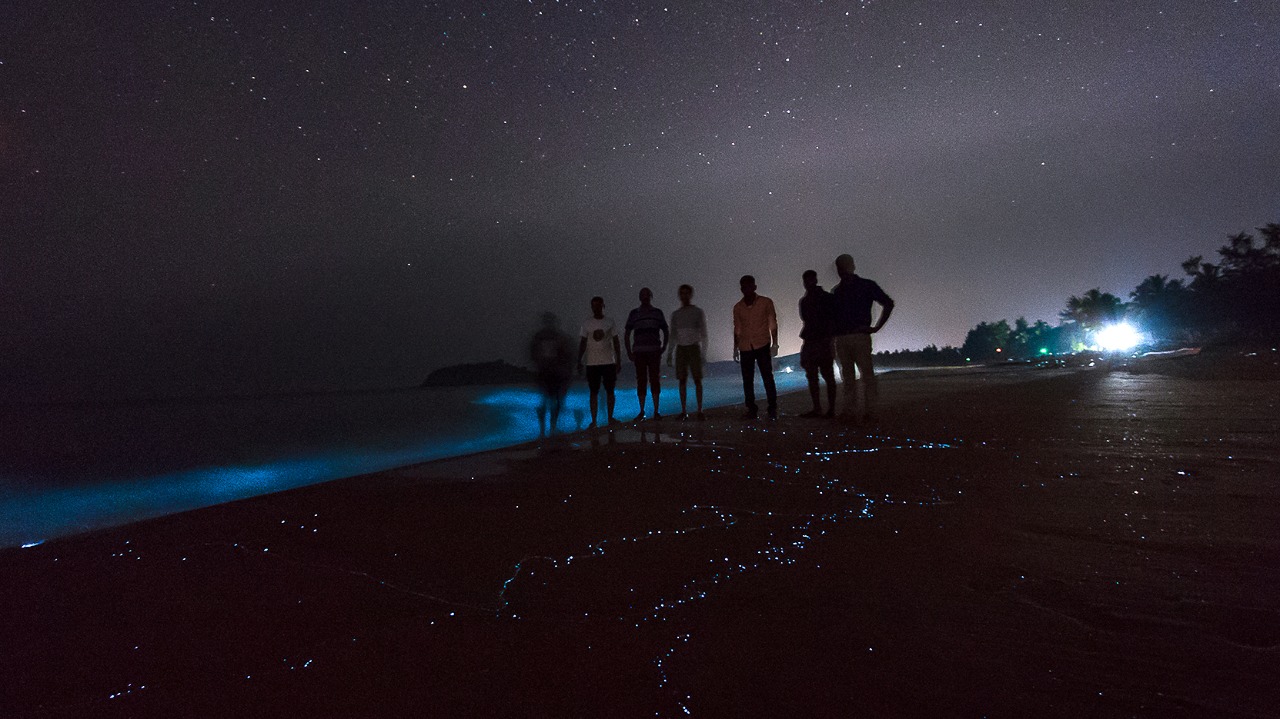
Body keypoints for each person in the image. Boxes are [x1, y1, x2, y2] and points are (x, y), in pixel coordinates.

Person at [831, 253, 895, 423]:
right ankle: (857, 412)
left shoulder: (859, 287)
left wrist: (876, 327)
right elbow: (888, 303)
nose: (841, 270)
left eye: (842, 266)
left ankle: (865, 412)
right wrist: (876, 327)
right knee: (854, 376)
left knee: (862, 375)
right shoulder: (841, 290)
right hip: (847, 337)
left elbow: (888, 303)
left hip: (856, 336)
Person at [732, 275, 779, 420]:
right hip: (746, 346)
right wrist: (735, 348)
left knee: (767, 376)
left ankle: (772, 407)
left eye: (748, 286)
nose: (746, 289)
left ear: (754, 287)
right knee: (748, 379)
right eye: (744, 287)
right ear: (741, 288)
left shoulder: (765, 302)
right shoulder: (738, 307)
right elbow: (737, 328)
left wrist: (775, 343)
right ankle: (751, 409)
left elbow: (772, 323)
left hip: (762, 344)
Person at [624, 287, 669, 421]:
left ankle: (656, 411)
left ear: (650, 296)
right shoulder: (634, 314)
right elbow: (627, 333)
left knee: (655, 380)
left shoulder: (657, 313)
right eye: (642, 295)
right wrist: (628, 351)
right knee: (641, 380)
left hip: (654, 351)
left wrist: (664, 346)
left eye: (647, 295)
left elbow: (665, 330)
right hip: (639, 352)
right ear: (640, 297)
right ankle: (642, 411)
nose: (645, 297)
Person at [577, 296, 622, 427]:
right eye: (594, 305)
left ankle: (610, 418)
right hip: (592, 362)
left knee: (610, 391)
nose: (596, 308)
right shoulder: (586, 323)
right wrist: (579, 360)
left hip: (608, 361)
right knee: (593, 392)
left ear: (603, 306)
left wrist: (618, 360)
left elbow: (616, 341)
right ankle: (594, 420)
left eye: (598, 305)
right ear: (591, 307)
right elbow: (583, 342)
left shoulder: (610, 322)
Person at [666, 284, 708, 420]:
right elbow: (673, 335)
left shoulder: (697, 312)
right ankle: (684, 411)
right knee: (682, 380)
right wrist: (670, 353)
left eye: (686, 293)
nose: (684, 296)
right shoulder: (676, 315)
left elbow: (703, 334)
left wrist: (703, 354)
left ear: (690, 295)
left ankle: (700, 410)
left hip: (694, 347)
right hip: (681, 348)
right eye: (682, 293)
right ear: (680, 295)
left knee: (697, 379)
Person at [798, 269, 837, 418]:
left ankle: (829, 409)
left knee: (827, 375)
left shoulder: (825, 298)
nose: (809, 283)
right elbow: (806, 320)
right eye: (807, 281)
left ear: (815, 280)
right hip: (811, 341)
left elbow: (833, 319)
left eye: (811, 280)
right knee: (813, 376)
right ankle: (818, 408)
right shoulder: (805, 301)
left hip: (823, 340)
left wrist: (830, 338)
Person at [529, 312, 575, 436]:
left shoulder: (540, 337)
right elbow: (566, 354)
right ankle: (550, 427)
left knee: (547, 400)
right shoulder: (557, 337)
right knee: (554, 400)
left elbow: (533, 353)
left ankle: (545, 429)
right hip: (552, 372)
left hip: (547, 371)